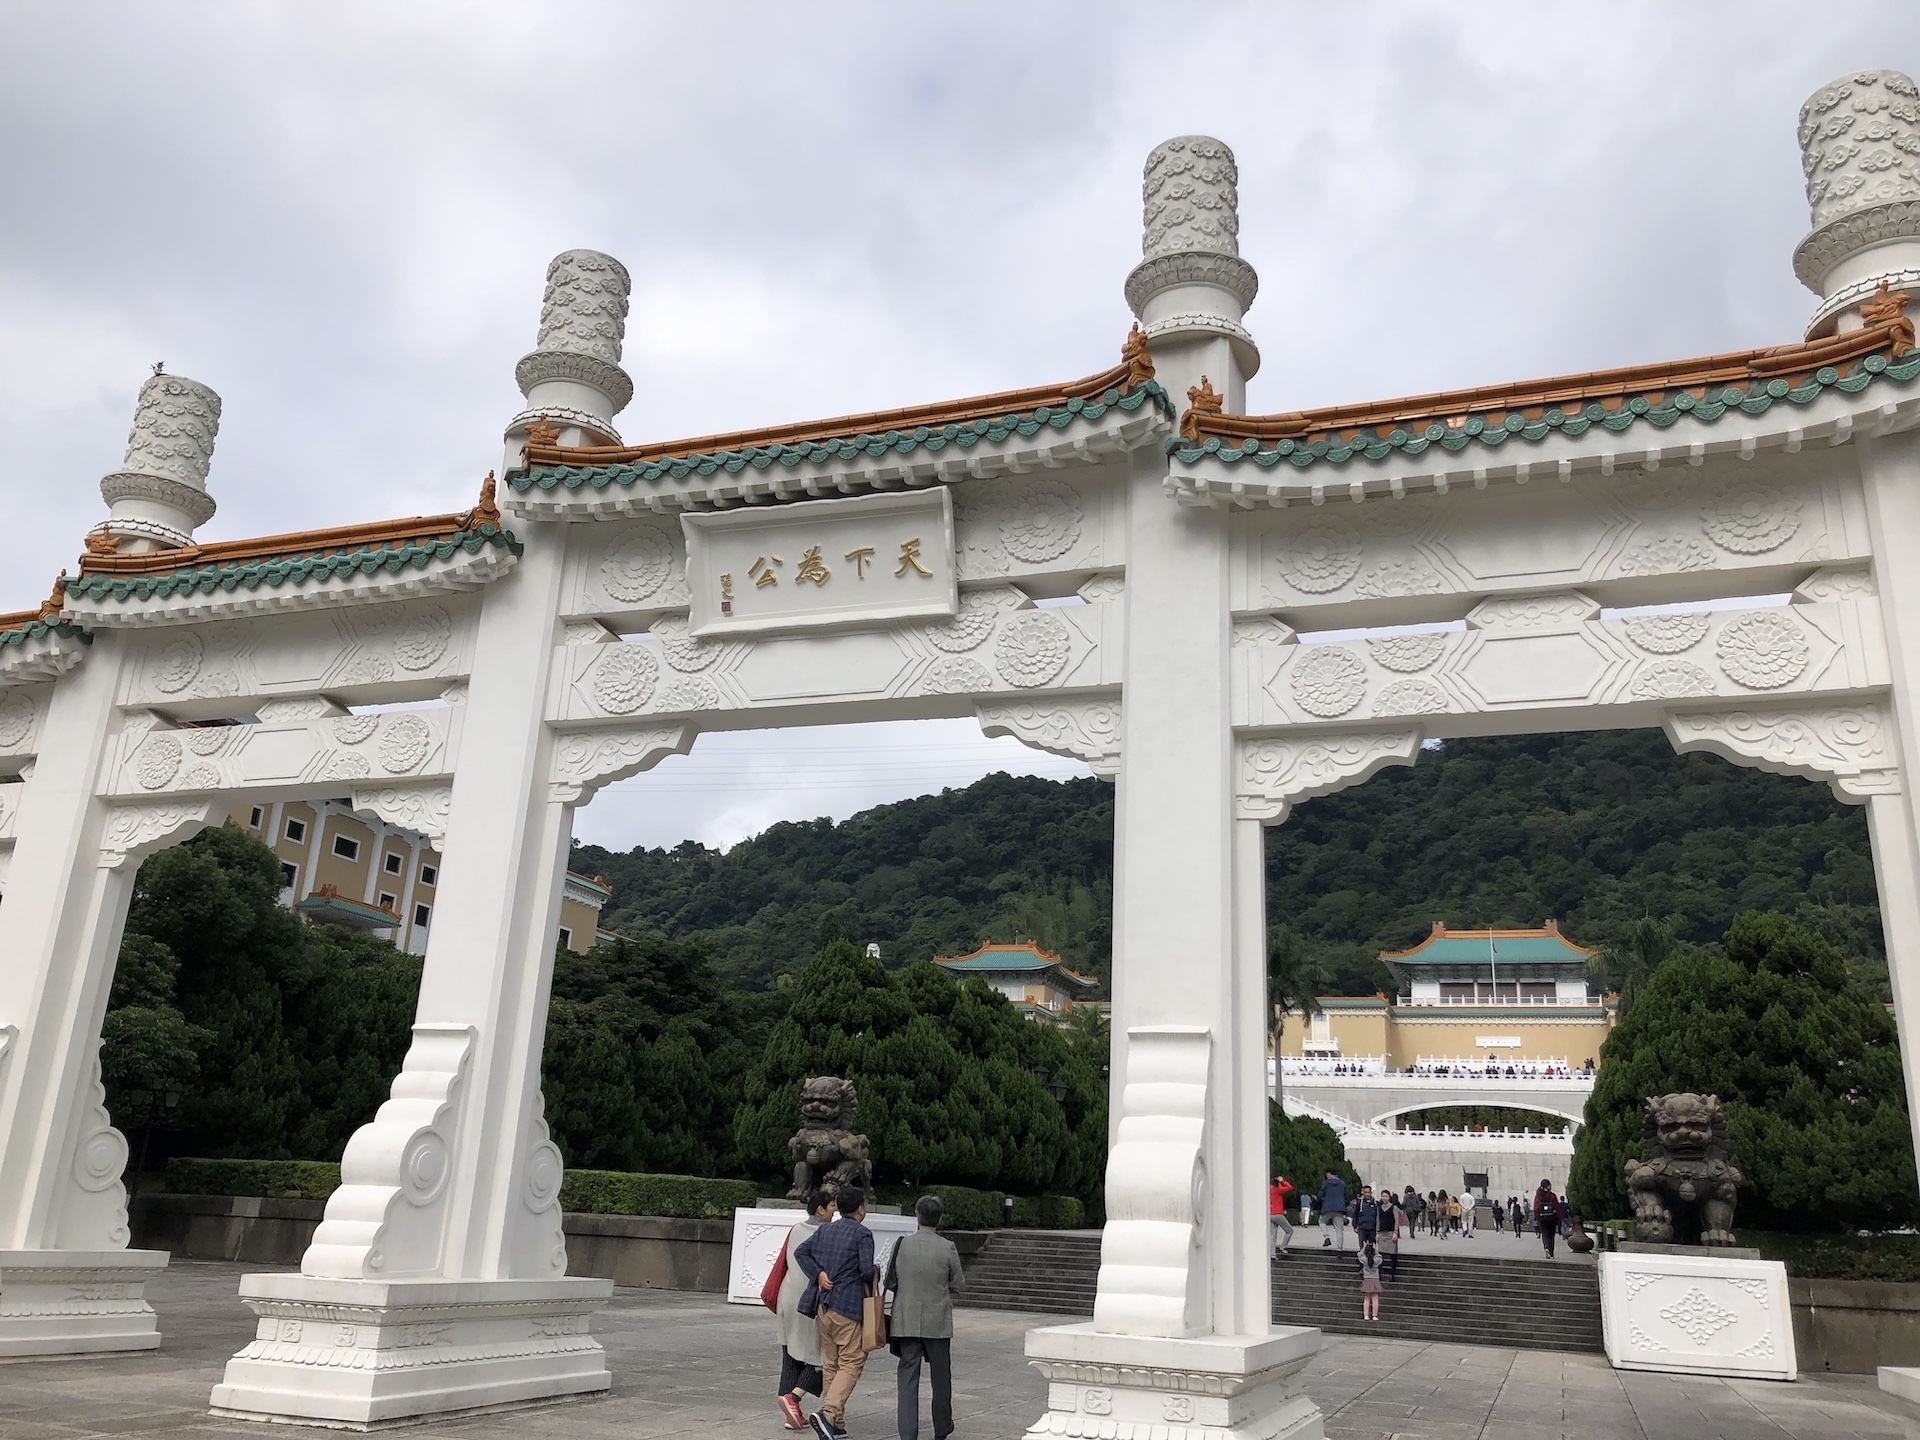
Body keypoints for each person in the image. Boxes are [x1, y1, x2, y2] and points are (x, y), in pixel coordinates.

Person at [795, 1187, 877, 1440]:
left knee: (831, 1364)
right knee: (852, 1362)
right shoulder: (862, 1234)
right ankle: (829, 1413)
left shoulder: (825, 1230)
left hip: (824, 1306)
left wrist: (818, 1273)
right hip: (848, 1306)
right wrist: (876, 1270)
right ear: (860, 1209)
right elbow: (866, 1270)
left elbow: (801, 1252)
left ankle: (835, 1423)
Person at [885, 1194, 965, 1440]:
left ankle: (908, 1432)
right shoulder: (947, 1247)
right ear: (939, 1218)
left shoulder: (901, 1244)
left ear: (917, 1215)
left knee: (907, 1378)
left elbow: (890, 1281)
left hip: (906, 1319)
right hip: (937, 1320)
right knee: (941, 1379)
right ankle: (942, 1428)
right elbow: (959, 1283)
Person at [775, 1189, 834, 1431]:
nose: (834, 1210)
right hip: (808, 1301)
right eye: (831, 1206)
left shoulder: (796, 1229)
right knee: (820, 1357)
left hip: (787, 1296)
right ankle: (793, 1400)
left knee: (790, 1355)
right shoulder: (826, 1233)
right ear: (820, 1209)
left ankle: (790, 1414)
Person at [1318, 1168, 1351, 1251]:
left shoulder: (1326, 1183)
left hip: (1328, 1208)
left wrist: (1320, 1199)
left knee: (1321, 1221)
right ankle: (1339, 1249)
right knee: (1339, 1229)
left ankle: (1326, 1237)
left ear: (1329, 1173)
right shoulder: (1342, 1183)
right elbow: (1346, 1196)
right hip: (1339, 1209)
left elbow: (1321, 1194)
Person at [1268, 1174, 1295, 1259]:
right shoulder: (1278, 1190)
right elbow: (1289, 1187)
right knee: (1289, 1231)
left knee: (1272, 1235)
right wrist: (1283, 1181)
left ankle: (1272, 1254)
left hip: (1270, 1214)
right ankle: (1283, 1247)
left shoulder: (1268, 1189)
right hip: (1278, 1214)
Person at [1534, 1179, 1562, 1260]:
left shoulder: (1538, 1196)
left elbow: (1536, 1208)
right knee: (1551, 1236)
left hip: (1542, 1218)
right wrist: (1559, 1220)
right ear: (1547, 1186)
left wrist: (1537, 1218)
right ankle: (1551, 1252)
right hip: (1551, 1218)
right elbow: (1557, 1208)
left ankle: (1546, 1248)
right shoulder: (1552, 1196)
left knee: (1545, 1234)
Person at [1358, 1240, 1384, 1322]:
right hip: (1375, 1279)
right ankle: (1374, 1315)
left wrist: (1364, 1247)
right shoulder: (1376, 1260)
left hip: (1367, 1279)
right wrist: (1376, 1249)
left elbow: (1359, 1255)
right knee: (1375, 1298)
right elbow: (1380, 1256)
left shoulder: (1364, 1260)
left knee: (1367, 1298)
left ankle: (1366, 1315)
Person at [1377, 1194, 1401, 1279]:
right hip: (1382, 1233)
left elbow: (1396, 1220)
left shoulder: (1393, 1207)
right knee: (1380, 1255)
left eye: (1386, 1196)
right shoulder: (1379, 1208)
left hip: (1391, 1233)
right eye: (1383, 1196)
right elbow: (1378, 1220)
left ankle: (1392, 1274)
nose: (1384, 1198)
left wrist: (1395, 1232)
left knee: (1392, 1254)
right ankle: (1379, 1273)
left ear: (1389, 1197)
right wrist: (1377, 1232)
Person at [1354, 1184, 1380, 1250]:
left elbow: (1378, 1216)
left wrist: (1378, 1229)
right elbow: (1355, 1214)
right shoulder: (1359, 1203)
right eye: (1365, 1192)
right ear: (1363, 1193)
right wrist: (1355, 1226)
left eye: (1368, 1192)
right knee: (1362, 1247)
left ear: (1371, 1193)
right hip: (1362, 1228)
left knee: (1372, 1248)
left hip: (1372, 1229)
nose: (1367, 1194)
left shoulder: (1376, 1203)